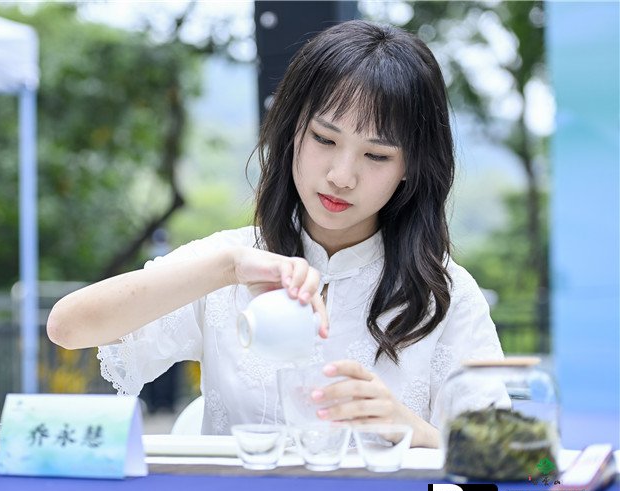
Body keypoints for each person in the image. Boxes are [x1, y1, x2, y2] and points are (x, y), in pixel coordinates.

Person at [47, 20, 505, 448]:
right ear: (292, 135)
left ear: (411, 168)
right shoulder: (234, 261)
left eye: (377, 156)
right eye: (325, 140)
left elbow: (511, 466)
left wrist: (409, 427)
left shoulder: (446, 295)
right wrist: (226, 268)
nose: (342, 176)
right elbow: (67, 327)